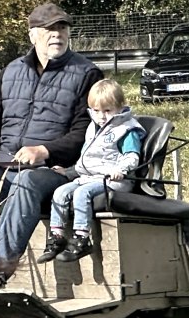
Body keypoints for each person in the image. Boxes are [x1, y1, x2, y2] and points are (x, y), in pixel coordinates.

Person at [0, 2, 104, 268]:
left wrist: (44, 151)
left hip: (53, 172)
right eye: (48, 29)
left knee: (26, 183)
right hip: (1, 169)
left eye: (61, 28)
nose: (56, 35)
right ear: (32, 35)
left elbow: (85, 133)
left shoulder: (87, 73)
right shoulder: (11, 72)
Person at [37, 80, 145, 263]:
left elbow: (132, 156)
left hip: (115, 180)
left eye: (107, 110)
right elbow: (89, 159)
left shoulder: (126, 129)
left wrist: (121, 169)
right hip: (91, 177)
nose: (101, 116)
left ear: (120, 107)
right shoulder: (93, 127)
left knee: (81, 193)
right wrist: (69, 171)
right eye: (96, 110)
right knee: (60, 192)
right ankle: (57, 235)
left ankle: (82, 237)